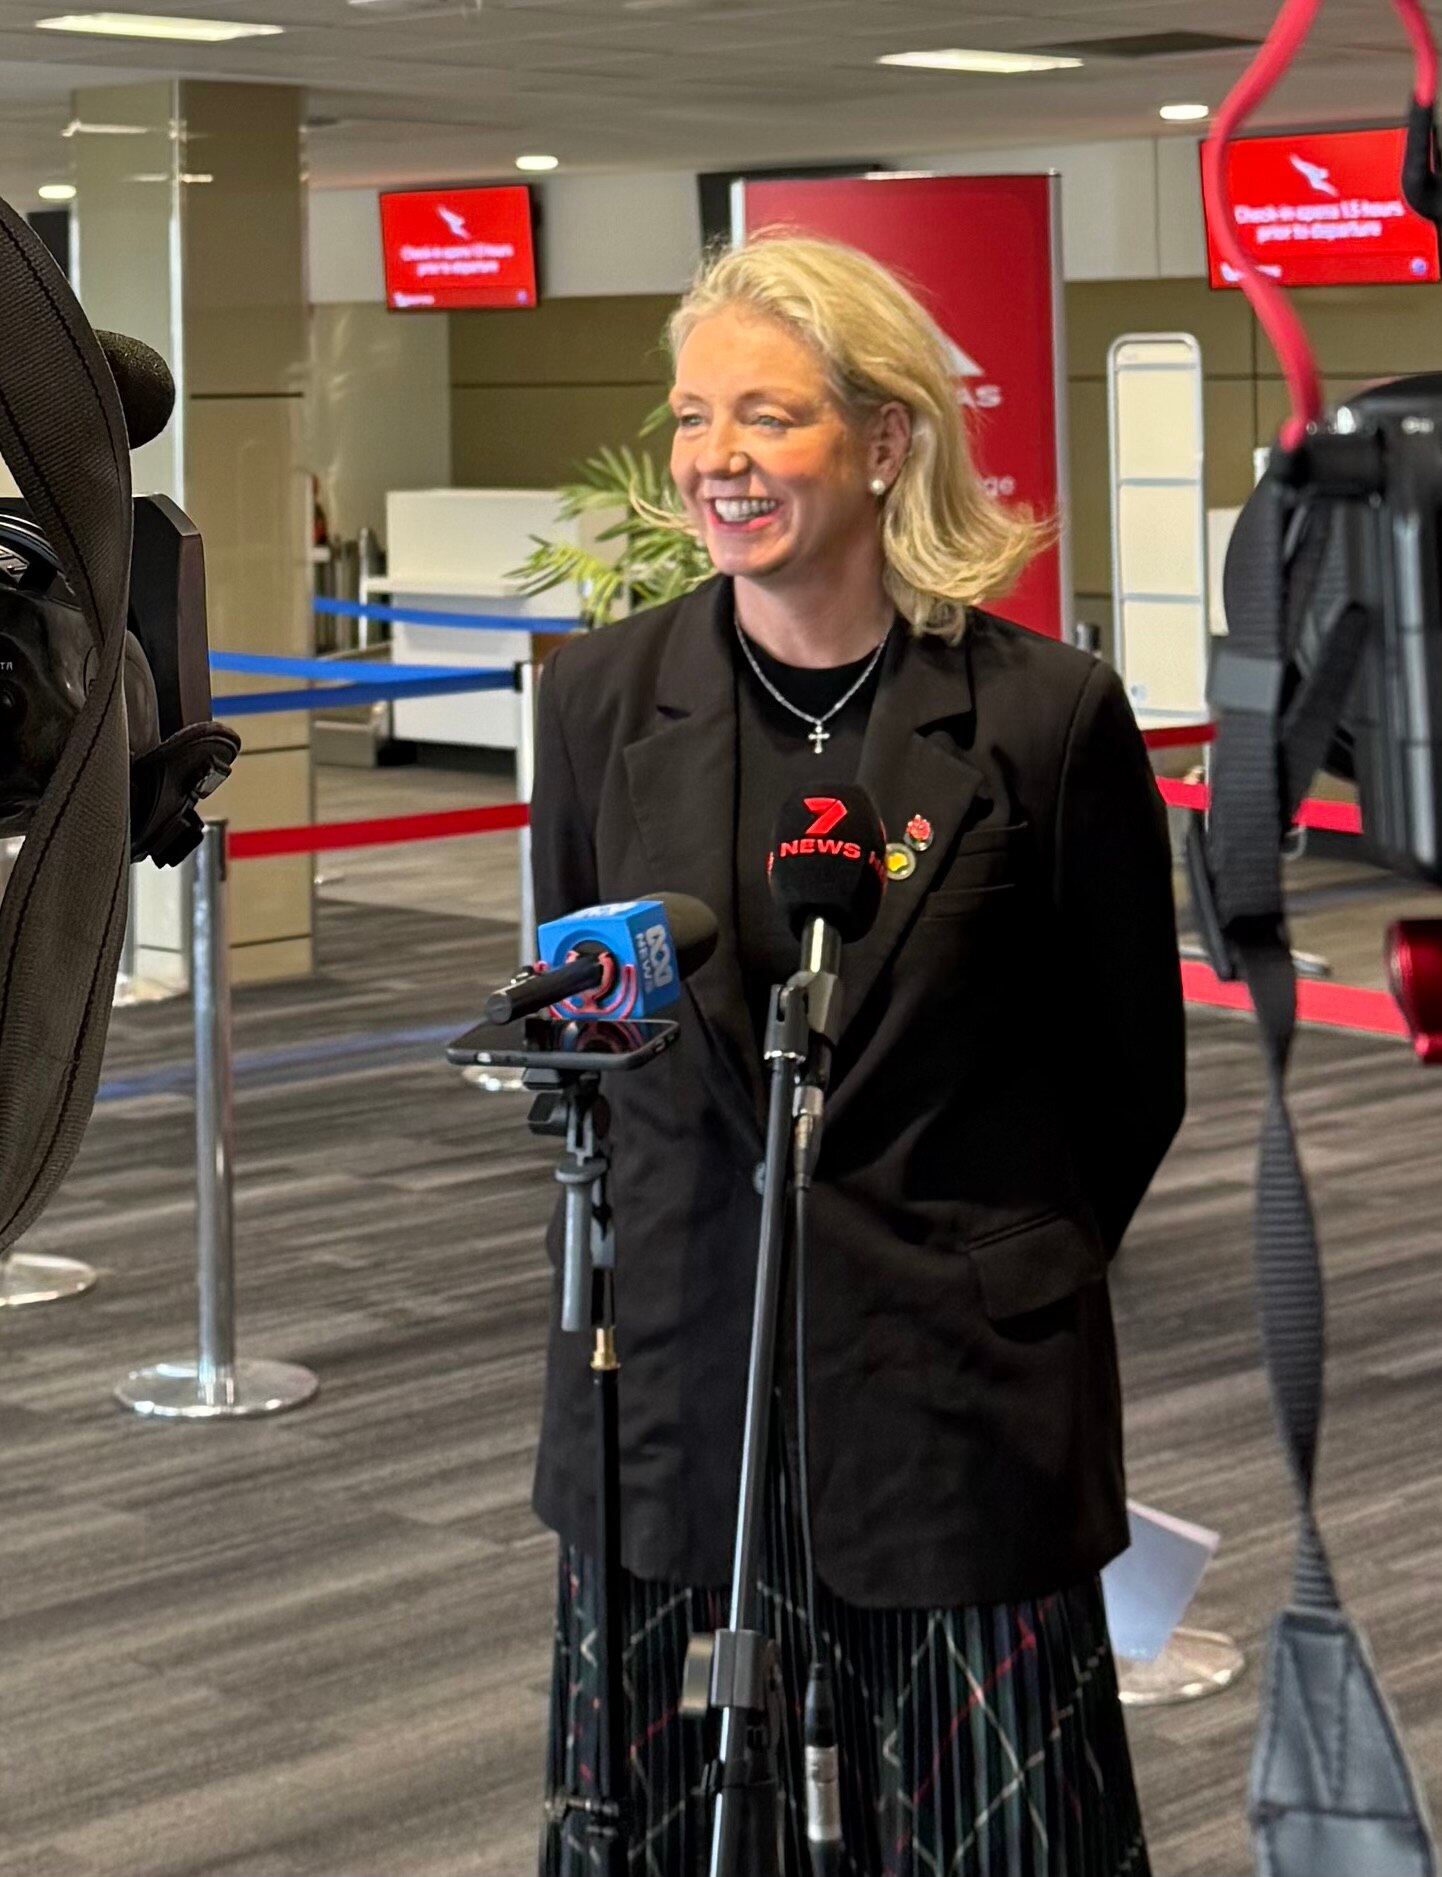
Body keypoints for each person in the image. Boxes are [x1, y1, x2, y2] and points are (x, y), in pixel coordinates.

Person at [526, 233, 1185, 1877]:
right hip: (672, 1387)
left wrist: (978, 1267)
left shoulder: (1042, 718)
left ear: (885, 440)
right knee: (672, 1835)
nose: (716, 459)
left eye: (768, 414)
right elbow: (581, 1041)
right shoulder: (600, 701)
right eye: (694, 417)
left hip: (956, 1401)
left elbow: (1127, 1077)